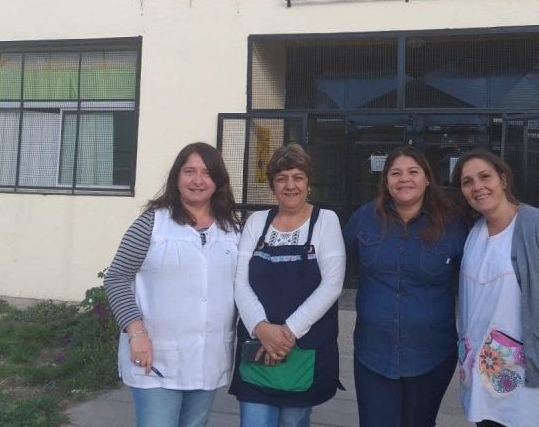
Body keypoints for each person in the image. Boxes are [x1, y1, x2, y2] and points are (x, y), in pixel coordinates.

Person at [104, 142, 242, 427]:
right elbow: (117, 277)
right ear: (176, 178)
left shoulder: (233, 229)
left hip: (208, 357)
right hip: (155, 355)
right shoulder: (152, 223)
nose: (197, 180)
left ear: (218, 181)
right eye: (189, 171)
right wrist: (136, 333)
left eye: (206, 173)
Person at [451, 149, 539, 427]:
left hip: (531, 386)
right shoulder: (473, 233)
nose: (477, 187)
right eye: (467, 182)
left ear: (503, 179)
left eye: (485, 176)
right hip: (484, 382)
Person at [344, 145, 467, 427]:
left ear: (426, 179)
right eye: (395, 173)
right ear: (386, 181)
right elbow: (333, 264)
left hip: (431, 356)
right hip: (373, 353)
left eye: (413, 172)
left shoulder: (453, 224)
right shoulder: (364, 218)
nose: (404, 179)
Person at [230, 143, 346, 427]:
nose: (290, 185)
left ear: (308, 182)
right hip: (257, 347)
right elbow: (240, 281)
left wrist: (286, 333)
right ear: (272, 185)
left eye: (297, 177)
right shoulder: (257, 222)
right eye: (282, 178)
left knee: (294, 422)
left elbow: (332, 284)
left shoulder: (325, 221)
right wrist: (261, 328)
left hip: (303, 348)